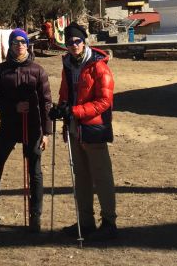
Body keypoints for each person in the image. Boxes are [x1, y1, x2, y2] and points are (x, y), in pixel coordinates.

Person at [0, 28, 52, 233]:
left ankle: (35, 217)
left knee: (35, 171)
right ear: (10, 46)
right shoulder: (1, 71)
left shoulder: (38, 70)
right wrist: (12, 106)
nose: (19, 45)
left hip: (33, 126)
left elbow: (46, 101)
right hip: (9, 125)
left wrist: (47, 132)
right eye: (15, 42)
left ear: (27, 45)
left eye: (22, 42)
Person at [53, 22, 117, 241]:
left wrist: (75, 111)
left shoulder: (99, 66)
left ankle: (109, 221)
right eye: (70, 42)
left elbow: (104, 101)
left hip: (94, 128)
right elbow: (65, 92)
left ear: (84, 41)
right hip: (74, 128)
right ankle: (86, 221)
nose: (74, 45)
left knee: (102, 177)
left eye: (77, 41)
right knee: (81, 177)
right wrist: (60, 109)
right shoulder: (67, 65)